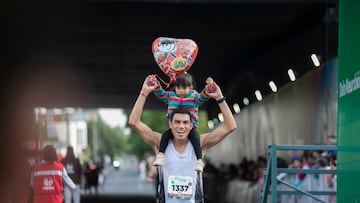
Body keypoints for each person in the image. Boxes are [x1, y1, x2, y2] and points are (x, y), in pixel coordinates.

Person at [128, 74, 237, 203]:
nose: (181, 127)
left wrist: (219, 98)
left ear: (191, 125)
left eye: (185, 123)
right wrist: (144, 93)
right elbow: (134, 122)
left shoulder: (200, 143)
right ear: (170, 123)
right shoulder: (160, 142)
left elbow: (230, 126)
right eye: (177, 122)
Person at [150, 73, 213, 172]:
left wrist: (208, 88)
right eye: (178, 88)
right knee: (165, 136)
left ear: (191, 87)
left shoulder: (194, 97)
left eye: (184, 88)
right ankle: (161, 155)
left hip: (190, 128)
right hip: (174, 128)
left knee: (196, 140)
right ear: (175, 87)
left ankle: (199, 160)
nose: (181, 91)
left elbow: (203, 97)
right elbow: (160, 93)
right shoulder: (171, 96)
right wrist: (156, 84)